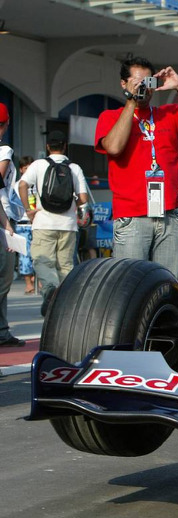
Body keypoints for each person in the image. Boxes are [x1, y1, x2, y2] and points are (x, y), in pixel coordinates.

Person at [94, 55, 178, 278]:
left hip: (171, 216)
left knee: (167, 287)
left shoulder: (168, 114)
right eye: (137, 82)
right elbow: (113, 147)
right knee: (130, 288)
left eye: (148, 82)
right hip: (132, 217)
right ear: (124, 84)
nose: (144, 88)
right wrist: (131, 101)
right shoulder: (110, 116)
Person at [19, 131, 89, 316]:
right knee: (65, 265)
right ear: (65, 146)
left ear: (48, 146)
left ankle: (51, 289)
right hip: (68, 225)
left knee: (42, 261)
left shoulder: (38, 165)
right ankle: (63, 304)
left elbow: (22, 185)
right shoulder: (74, 167)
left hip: (43, 222)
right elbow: (83, 198)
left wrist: (28, 209)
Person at [0, 103, 25, 347]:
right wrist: (7, 224)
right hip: (2, 218)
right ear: (6, 125)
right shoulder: (4, 149)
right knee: (4, 278)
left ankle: (3, 330)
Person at [15, 155, 35, 293]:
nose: (28, 171)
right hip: (23, 223)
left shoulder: (38, 183)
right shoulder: (17, 186)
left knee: (39, 254)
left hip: (38, 223)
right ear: (21, 170)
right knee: (25, 256)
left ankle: (39, 280)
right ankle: (28, 283)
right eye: (25, 168)